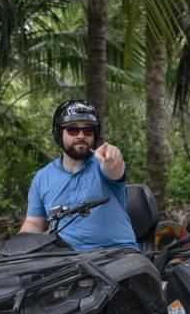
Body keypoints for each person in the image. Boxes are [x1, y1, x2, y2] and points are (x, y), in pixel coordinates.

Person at [19, 99, 139, 251]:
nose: (81, 135)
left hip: (117, 254)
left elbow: (114, 168)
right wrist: (18, 247)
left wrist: (114, 158)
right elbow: (34, 224)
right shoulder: (42, 177)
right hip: (66, 262)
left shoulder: (102, 165)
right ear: (59, 133)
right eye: (73, 130)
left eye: (88, 130)